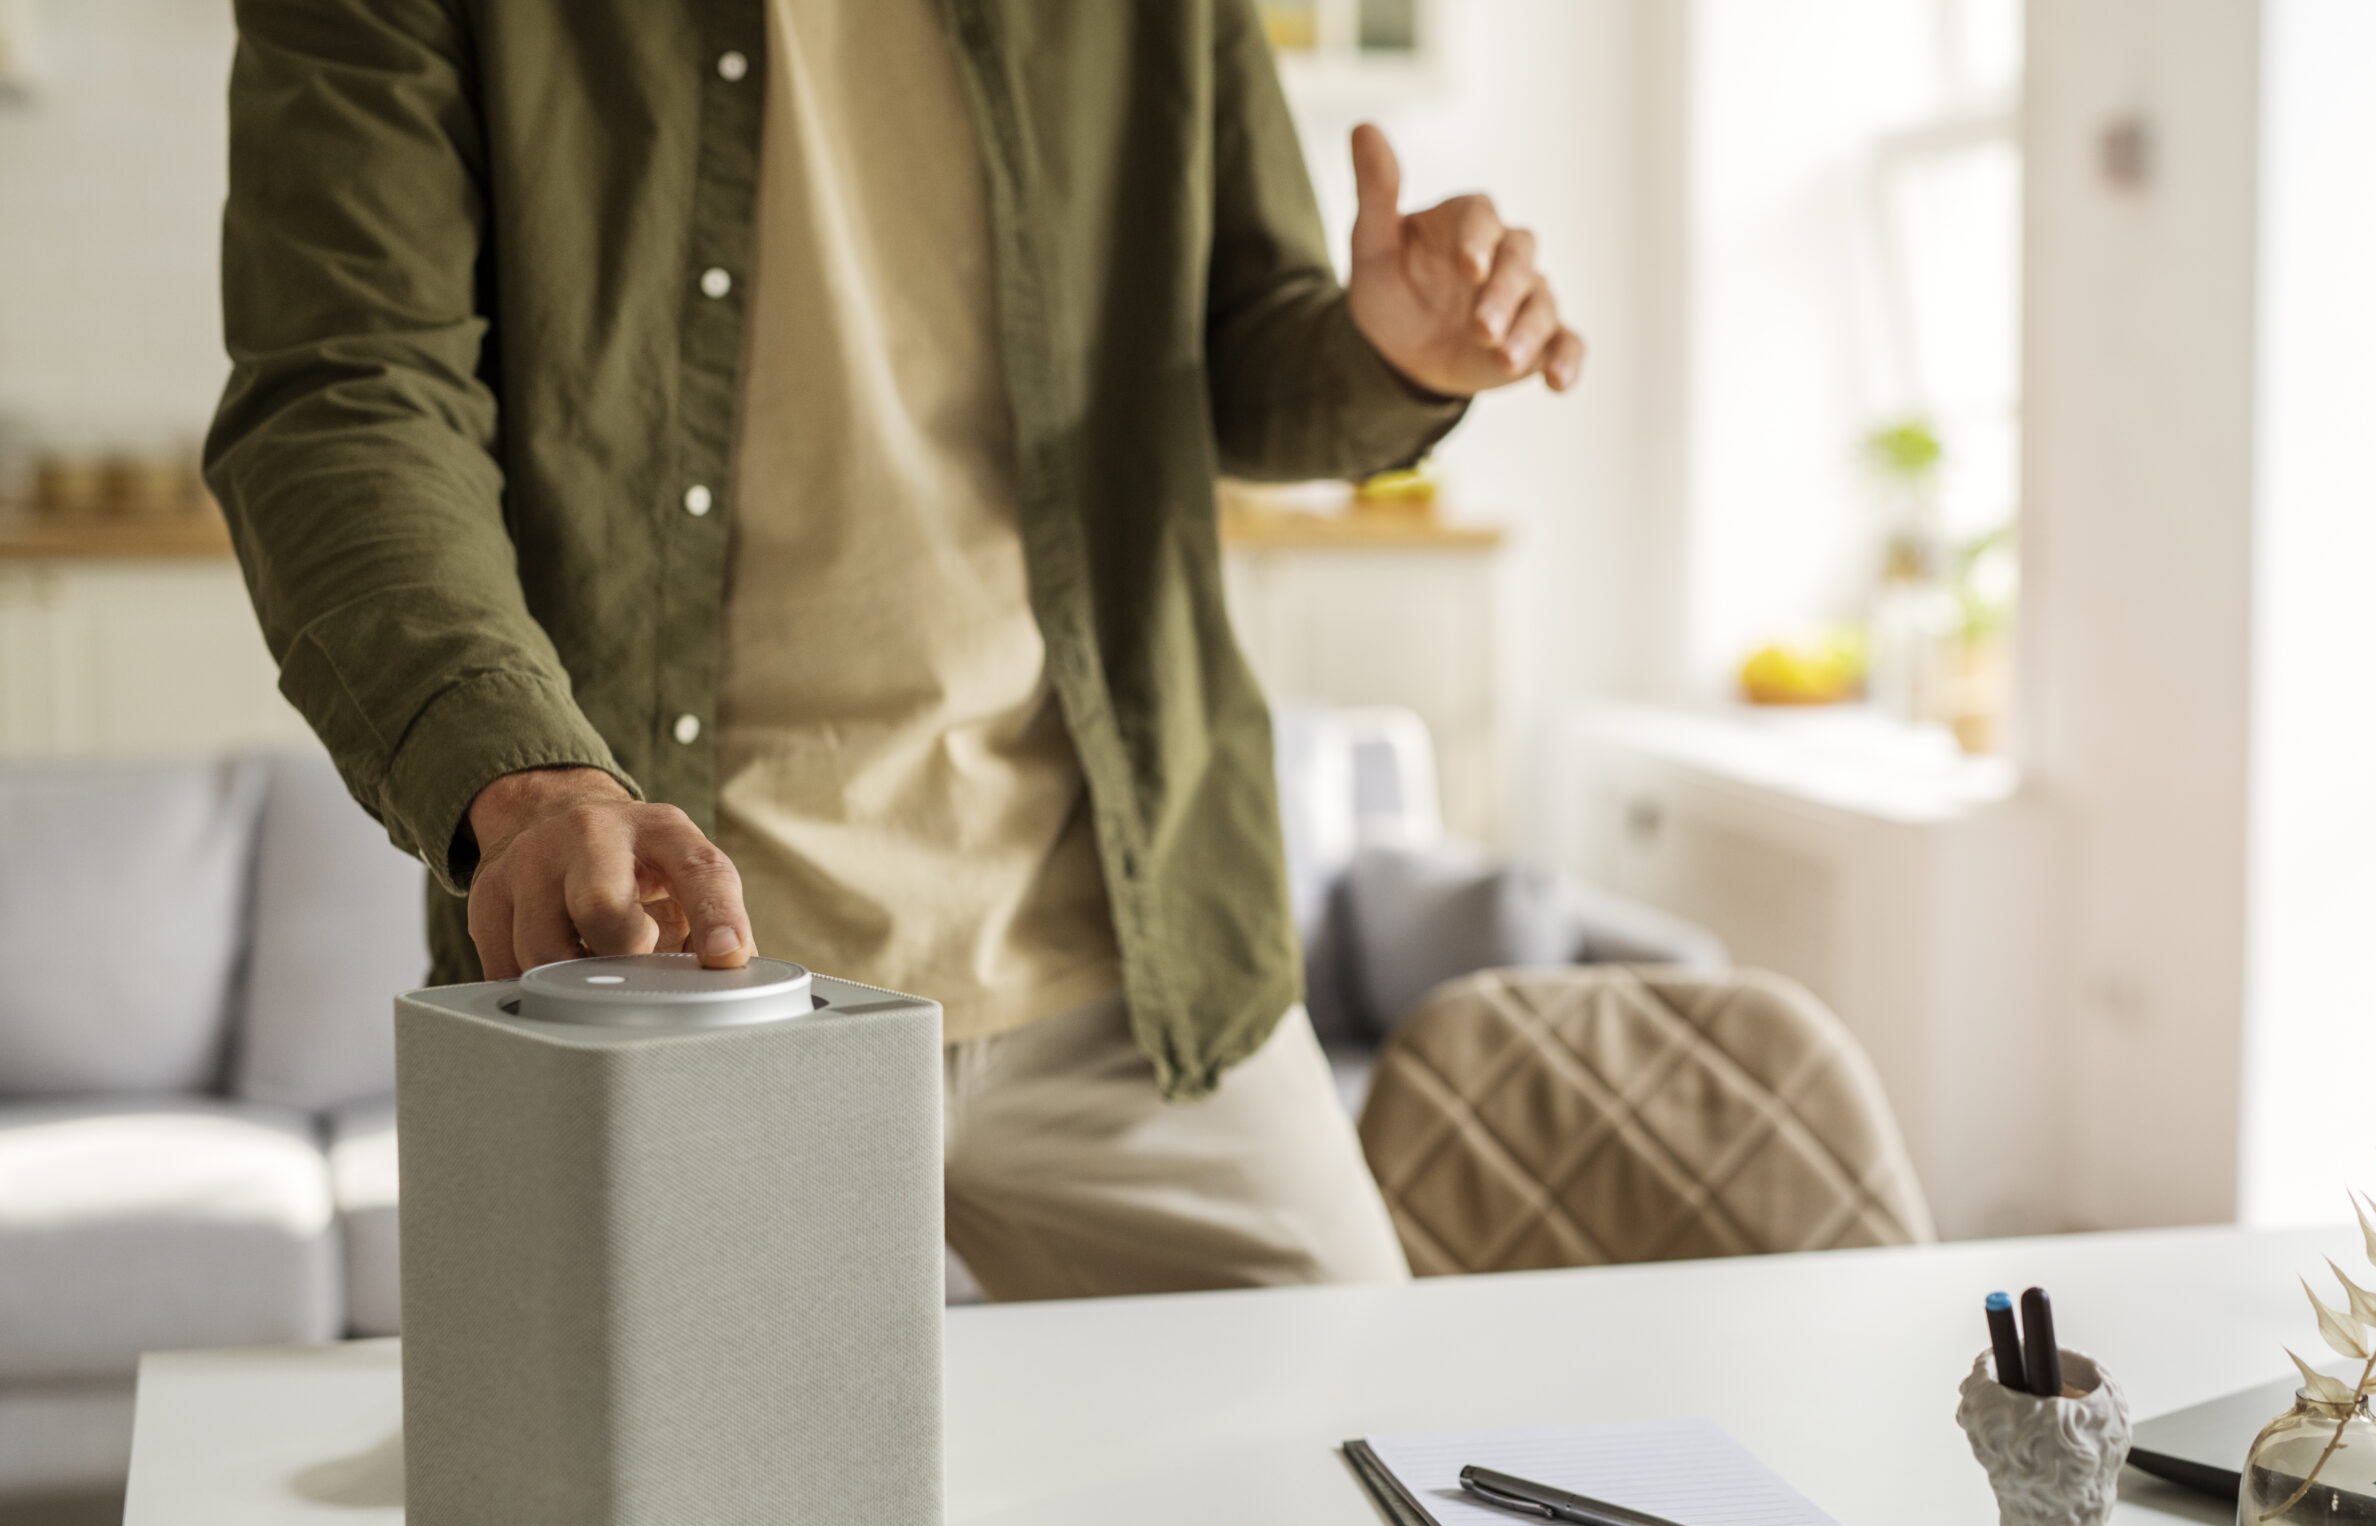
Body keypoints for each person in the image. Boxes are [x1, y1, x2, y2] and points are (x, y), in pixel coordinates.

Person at [208, 0, 1581, 1301]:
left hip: (1136, 958)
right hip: (661, 986)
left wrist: (1384, 358)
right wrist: (533, 784)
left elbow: (1232, 349)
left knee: (1352, 1485)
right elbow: (349, 392)